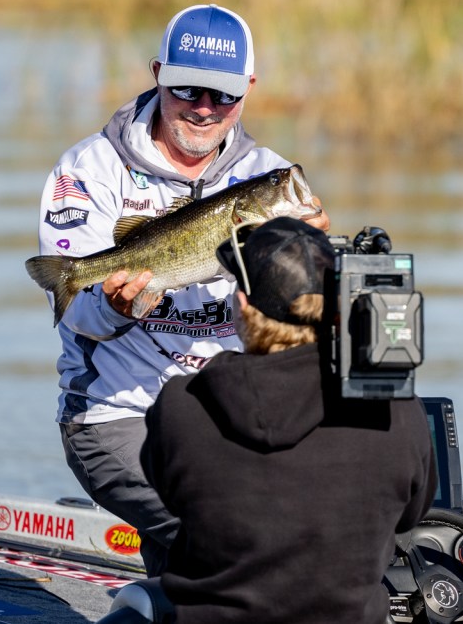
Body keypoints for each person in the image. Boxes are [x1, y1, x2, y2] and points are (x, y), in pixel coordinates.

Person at [33, 4, 329, 577]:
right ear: (158, 75)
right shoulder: (89, 170)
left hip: (231, 412)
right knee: (221, 534)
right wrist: (114, 305)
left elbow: (297, 325)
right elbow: (78, 319)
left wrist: (309, 262)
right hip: (118, 415)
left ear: (248, 88)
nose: (204, 108)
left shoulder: (266, 173)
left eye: (224, 95)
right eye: (187, 89)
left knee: (304, 518)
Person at [141, 217, 437, 624]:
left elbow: (169, 494)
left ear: (243, 306)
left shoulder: (181, 406)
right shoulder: (397, 411)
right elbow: (411, 516)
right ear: (341, 304)